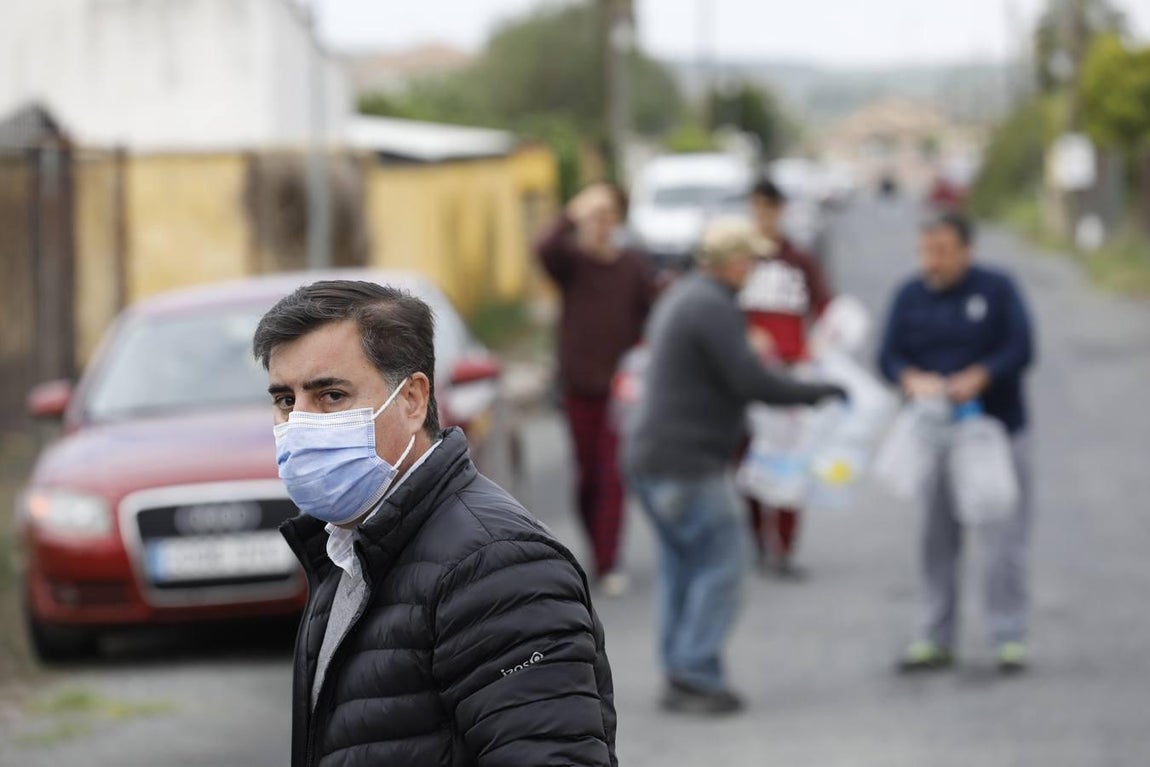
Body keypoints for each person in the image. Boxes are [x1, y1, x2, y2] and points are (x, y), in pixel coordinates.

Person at [254, 281, 617, 767]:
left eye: (331, 395)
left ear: (412, 399)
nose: (300, 423)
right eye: (285, 400)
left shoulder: (496, 564)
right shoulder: (348, 543)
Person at [624, 217, 847, 714]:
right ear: (732, 261)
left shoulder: (687, 296)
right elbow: (749, 380)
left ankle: (680, 671)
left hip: (654, 457)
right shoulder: (711, 304)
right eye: (751, 259)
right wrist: (818, 392)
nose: (754, 270)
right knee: (724, 563)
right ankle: (698, 674)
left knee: (683, 568)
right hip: (688, 462)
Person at [877, 212, 1035, 674]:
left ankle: (1008, 635)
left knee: (1003, 537)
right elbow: (888, 357)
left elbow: (1022, 348)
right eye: (927, 251)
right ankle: (934, 636)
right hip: (934, 436)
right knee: (935, 540)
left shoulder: (997, 289)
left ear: (966, 250)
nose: (934, 261)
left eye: (943, 251)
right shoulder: (909, 295)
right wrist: (910, 379)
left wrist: (982, 376)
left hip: (994, 432)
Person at [536, 182, 655, 595]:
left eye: (607, 214)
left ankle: (609, 561)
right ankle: (597, 548)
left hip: (621, 393)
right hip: (578, 388)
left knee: (612, 475)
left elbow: (652, 317)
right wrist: (571, 212)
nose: (600, 223)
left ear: (619, 218)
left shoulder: (633, 267)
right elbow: (543, 247)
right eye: (594, 215)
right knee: (587, 476)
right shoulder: (572, 263)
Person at [738, 178, 834, 576]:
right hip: (748, 377)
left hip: (792, 375)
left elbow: (827, 310)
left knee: (792, 462)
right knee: (750, 461)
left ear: (780, 212)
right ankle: (758, 540)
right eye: (756, 209)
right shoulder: (740, 260)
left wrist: (815, 350)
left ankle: (786, 547)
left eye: (769, 209)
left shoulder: (800, 261)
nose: (763, 218)